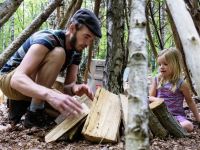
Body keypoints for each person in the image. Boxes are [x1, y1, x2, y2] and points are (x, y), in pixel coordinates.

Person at [0, 8, 102, 128]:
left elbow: (68, 87)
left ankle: (23, 105)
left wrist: (75, 88)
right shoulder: (48, 39)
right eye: (86, 36)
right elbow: (16, 79)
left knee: (73, 112)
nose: (87, 44)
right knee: (59, 53)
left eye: (91, 40)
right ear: (72, 28)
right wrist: (50, 95)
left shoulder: (76, 50)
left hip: (34, 85)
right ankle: (34, 113)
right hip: (10, 81)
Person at [149, 48, 200, 132]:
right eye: (159, 64)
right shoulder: (157, 79)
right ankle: (165, 128)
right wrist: (157, 100)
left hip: (176, 116)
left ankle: (167, 128)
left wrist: (197, 117)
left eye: (165, 64)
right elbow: (150, 97)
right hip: (159, 115)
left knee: (189, 126)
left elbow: (190, 101)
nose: (161, 67)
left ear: (175, 64)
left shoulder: (181, 84)